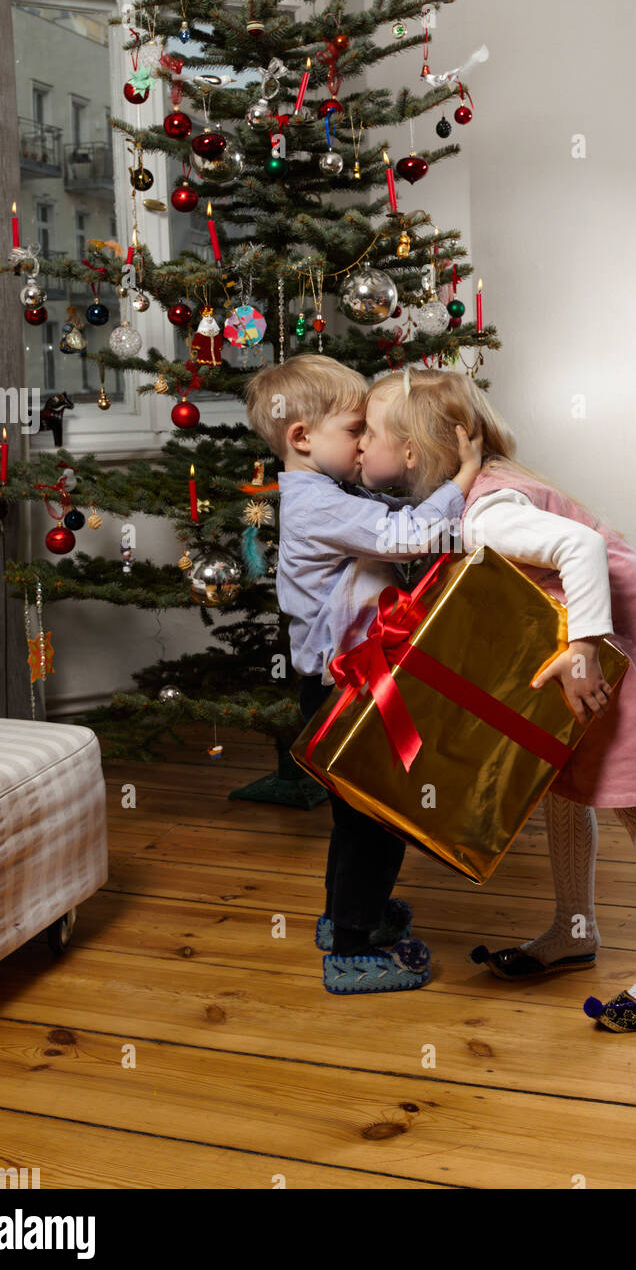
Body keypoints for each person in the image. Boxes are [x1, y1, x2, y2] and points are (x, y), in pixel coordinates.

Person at [356, 364, 636, 1031]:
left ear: (411, 450)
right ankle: (574, 930)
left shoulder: (486, 513)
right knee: (562, 787)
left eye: (368, 431)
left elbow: (579, 547)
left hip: (610, 659)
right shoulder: (481, 493)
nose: (360, 442)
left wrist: (582, 646)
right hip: (588, 655)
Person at [244, 354, 482, 994]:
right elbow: (407, 535)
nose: (364, 443)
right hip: (345, 685)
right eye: (356, 430)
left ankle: (349, 919)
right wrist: (463, 476)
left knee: (359, 816)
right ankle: (352, 949)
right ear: (301, 439)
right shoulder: (316, 505)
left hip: (346, 680)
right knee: (374, 818)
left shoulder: (327, 493)